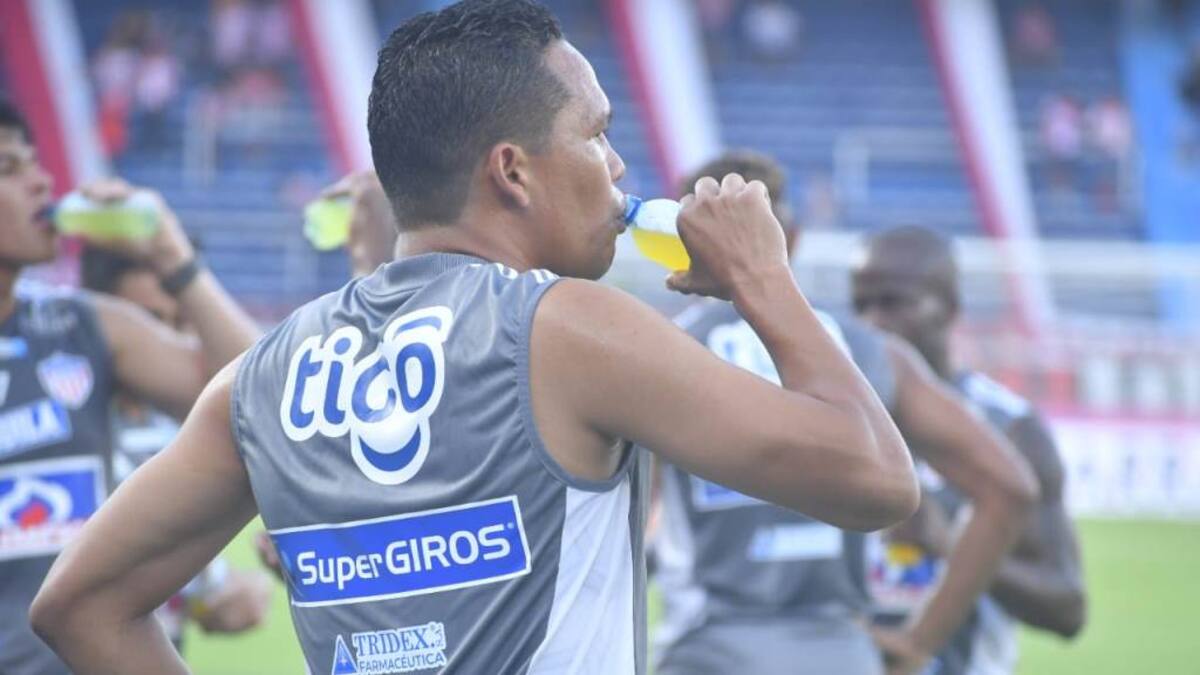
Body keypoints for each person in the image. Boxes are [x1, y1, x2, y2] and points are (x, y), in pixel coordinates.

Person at [30, 2, 920, 674]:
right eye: (598, 133)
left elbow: (78, 605)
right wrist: (765, 278)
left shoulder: (259, 375)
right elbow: (876, 478)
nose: (618, 167)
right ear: (512, 172)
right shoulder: (570, 328)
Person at [652, 151, 1038, 675]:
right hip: (839, 650)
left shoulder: (658, 350)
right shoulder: (868, 350)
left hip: (708, 649)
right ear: (790, 237)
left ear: (681, 241)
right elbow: (1009, 488)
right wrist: (921, 640)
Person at [0, 96, 260, 675]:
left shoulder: (78, 324)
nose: (42, 182)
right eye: (9, 169)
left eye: (35, 163)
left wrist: (172, 255)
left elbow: (261, 390)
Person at [852, 225, 1087, 673]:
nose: (873, 323)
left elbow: (1066, 606)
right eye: (861, 305)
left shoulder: (1009, 430)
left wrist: (949, 545)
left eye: (893, 302)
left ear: (950, 307)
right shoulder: (833, 417)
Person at [79, 243, 274, 652]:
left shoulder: (186, 424)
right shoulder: (61, 426)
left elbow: (262, 389)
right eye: (148, 322)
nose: (167, 342)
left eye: (180, 323)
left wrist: (214, 593)